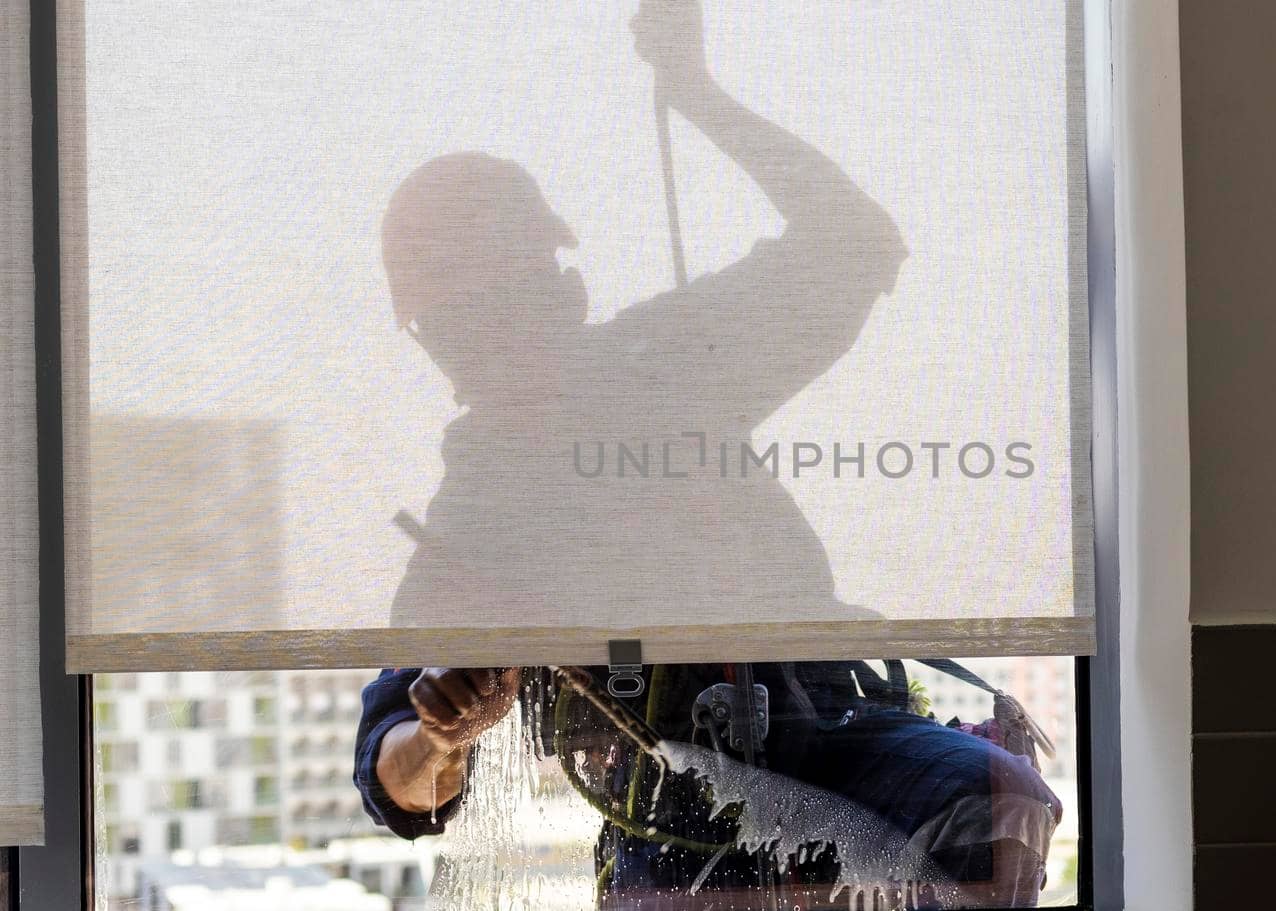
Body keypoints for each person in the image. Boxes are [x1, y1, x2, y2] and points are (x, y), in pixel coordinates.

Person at [356, 1, 1062, 906]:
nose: (506, 344)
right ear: (444, 353)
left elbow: (853, 244)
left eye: (519, 302)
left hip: (832, 739)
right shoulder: (480, 518)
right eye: (470, 325)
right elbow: (394, 769)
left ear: (564, 290)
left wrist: (701, 96)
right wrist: (444, 736)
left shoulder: (669, 362)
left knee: (992, 802)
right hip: (674, 818)